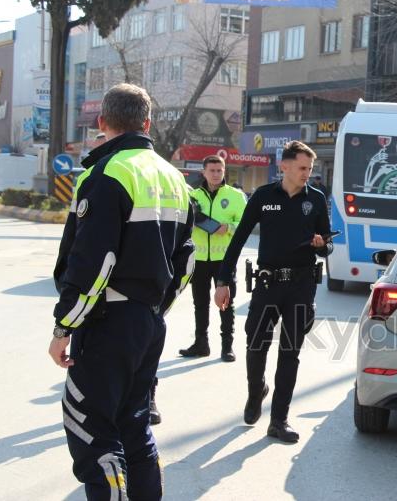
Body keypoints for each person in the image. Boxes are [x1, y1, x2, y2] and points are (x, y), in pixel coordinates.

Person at [50, 83, 194, 500]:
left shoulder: (107, 174)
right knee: (134, 426)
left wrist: (64, 327)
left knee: (91, 429)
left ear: (102, 123)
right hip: (148, 322)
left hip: (108, 323)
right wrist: (152, 309)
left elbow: (93, 263)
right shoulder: (175, 179)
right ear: (147, 124)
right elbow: (186, 262)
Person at [214, 140, 332, 444]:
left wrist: (323, 245)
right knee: (256, 344)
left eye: (310, 168)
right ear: (285, 166)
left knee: (290, 351)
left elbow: (328, 245)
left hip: (301, 285)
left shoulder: (316, 200)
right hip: (267, 284)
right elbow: (238, 239)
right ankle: (257, 391)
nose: (308, 173)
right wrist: (222, 280)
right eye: (303, 167)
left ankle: (279, 420)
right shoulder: (264, 197)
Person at [180, 155, 247, 362]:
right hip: (198, 258)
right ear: (204, 172)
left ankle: (227, 346)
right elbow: (182, 222)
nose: (216, 174)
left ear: (224, 171)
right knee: (200, 303)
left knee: (226, 303)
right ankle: (201, 344)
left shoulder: (236, 196)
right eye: (212, 170)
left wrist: (228, 228)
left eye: (219, 170)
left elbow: (245, 224)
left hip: (224, 260)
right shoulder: (192, 196)